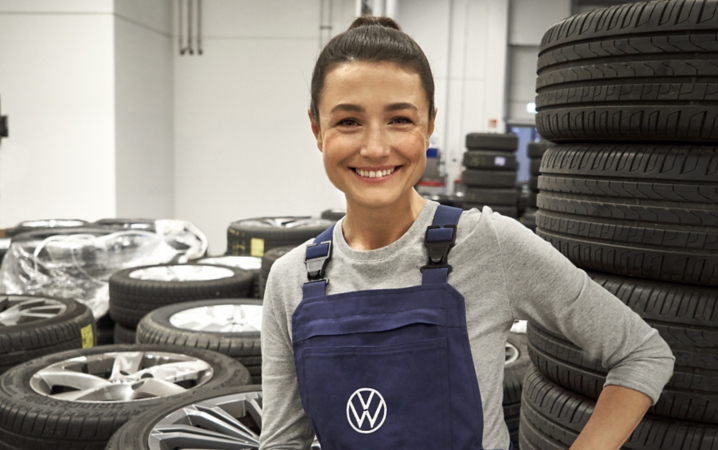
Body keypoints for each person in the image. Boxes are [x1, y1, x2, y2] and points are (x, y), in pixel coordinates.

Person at [259, 16, 674, 450]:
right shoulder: (291, 280)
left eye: (400, 119)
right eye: (348, 121)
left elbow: (642, 353)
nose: (376, 147)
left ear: (430, 124)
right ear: (316, 130)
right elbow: (282, 441)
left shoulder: (488, 246)